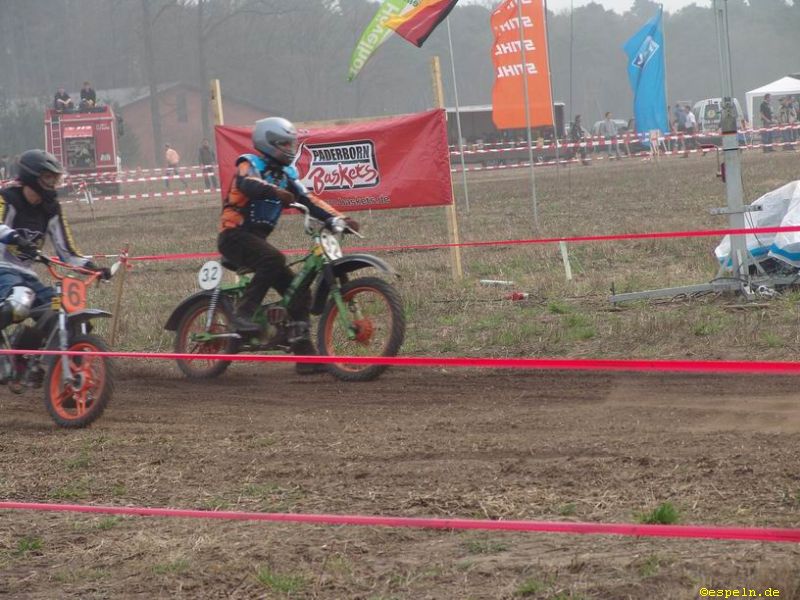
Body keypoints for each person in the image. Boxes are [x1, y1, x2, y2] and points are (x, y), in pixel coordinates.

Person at [217, 116, 359, 374]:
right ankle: (242, 315)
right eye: (284, 144)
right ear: (268, 142)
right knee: (273, 259)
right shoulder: (250, 164)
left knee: (299, 291)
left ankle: (305, 357)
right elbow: (248, 183)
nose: (289, 149)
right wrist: (274, 191)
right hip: (233, 236)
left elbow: (309, 199)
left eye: (291, 144)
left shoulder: (286, 175)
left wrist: (338, 219)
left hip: (256, 241)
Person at [0, 150, 110, 382]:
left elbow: (67, 252)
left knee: (63, 312)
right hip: (2, 267)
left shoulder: (51, 209)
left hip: (26, 274)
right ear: (32, 177)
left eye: (55, 178)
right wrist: (15, 238)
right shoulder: (7, 197)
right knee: (20, 301)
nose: (53, 184)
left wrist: (93, 267)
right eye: (48, 178)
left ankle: (28, 360)